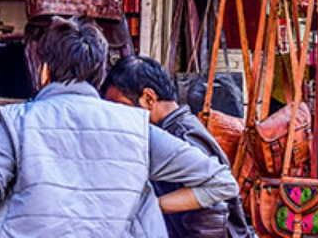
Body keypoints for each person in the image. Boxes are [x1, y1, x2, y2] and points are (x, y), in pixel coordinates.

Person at [0, 16, 239, 238]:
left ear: (44, 71)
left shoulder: (16, 123)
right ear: (99, 74)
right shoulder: (137, 129)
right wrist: (149, 207)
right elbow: (221, 182)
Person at [102, 55, 251, 238]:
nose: (118, 117)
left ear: (149, 98)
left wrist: (150, 207)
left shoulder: (182, 135)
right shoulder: (177, 129)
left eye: (121, 107)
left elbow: (213, 213)